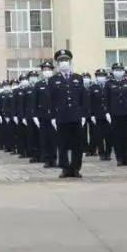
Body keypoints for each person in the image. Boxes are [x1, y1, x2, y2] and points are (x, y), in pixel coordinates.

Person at [43, 50, 87, 178]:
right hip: (61, 117)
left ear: (70, 62)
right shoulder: (53, 80)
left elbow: (83, 98)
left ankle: (75, 168)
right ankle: (64, 168)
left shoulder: (78, 78)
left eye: (66, 60)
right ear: (57, 64)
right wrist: (52, 117)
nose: (64, 63)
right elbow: (49, 100)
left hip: (76, 116)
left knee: (77, 145)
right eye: (61, 61)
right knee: (62, 144)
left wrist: (84, 114)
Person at [104, 63, 127, 167]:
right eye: (116, 70)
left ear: (123, 71)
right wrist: (107, 112)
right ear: (113, 71)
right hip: (114, 114)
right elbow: (105, 99)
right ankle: (119, 158)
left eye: (120, 70)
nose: (118, 71)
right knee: (117, 137)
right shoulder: (109, 84)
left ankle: (126, 159)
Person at [90, 69, 112, 160]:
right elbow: (90, 102)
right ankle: (101, 153)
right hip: (97, 116)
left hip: (108, 116)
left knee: (109, 136)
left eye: (103, 75)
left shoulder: (109, 86)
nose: (101, 77)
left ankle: (108, 154)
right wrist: (92, 115)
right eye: (99, 76)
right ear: (96, 77)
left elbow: (111, 101)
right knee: (98, 136)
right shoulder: (93, 87)